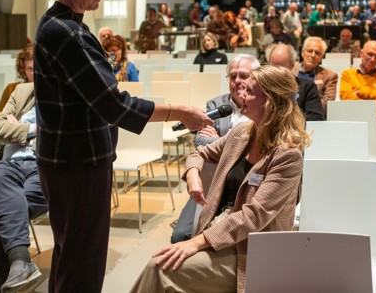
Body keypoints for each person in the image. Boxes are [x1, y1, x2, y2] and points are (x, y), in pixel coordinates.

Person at [34, 0, 212, 293]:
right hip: (77, 164)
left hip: (74, 161)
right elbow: (112, 105)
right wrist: (180, 112)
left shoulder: (68, 25)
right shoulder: (64, 32)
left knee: (72, 257)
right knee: (82, 265)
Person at [131, 65, 311, 293]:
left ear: (271, 102)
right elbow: (199, 153)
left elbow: (252, 217)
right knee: (162, 264)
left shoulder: (288, 156)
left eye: (250, 91)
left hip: (251, 248)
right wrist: (193, 175)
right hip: (219, 229)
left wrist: (195, 242)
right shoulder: (243, 132)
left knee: (160, 268)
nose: (241, 95)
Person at [171, 54, 259, 243]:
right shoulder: (216, 105)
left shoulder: (261, 108)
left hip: (245, 184)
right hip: (211, 181)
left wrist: (220, 140)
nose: (237, 81)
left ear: (255, 77)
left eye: (243, 76)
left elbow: (255, 147)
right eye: (232, 76)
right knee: (180, 236)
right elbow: (200, 143)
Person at [0, 82, 48, 293]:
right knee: (6, 198)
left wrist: (18, 128)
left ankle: (0, 284)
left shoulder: (67, 92)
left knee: (7, 210)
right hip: (8, 165)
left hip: (43, 166)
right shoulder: (22, 91)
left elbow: (64, 133)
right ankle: (21, 264)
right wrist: (33, 130)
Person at [340, 40, 376, 166]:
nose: (372, 59)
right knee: (347, 149)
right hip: (354, 119)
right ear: (361, 53)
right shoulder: (348, 74)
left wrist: (361, 92)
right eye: (370, 54)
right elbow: (345, 97)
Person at [266, 43, 325, 121]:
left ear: (292, 65)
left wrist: (282, 119)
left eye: (281, 67)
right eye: (274, 67)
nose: (277, 72)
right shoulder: (262, 85)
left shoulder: (307, 86)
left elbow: (316, 118)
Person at [298, 37, 338, 116]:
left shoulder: (330, 76)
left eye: (317, 53)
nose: (313, 55)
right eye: (310, 51)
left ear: (321, 57)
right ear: (303, 52)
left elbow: (326, 104)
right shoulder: (290, 71)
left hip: (313, 118)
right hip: (289, 119)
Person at [0, 46, 34, 116]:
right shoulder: (11, 88)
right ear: (23, 70)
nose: (33, 73)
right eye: (29, 69)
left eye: (36, 68)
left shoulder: (48, 90)